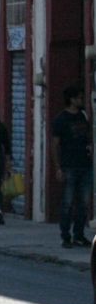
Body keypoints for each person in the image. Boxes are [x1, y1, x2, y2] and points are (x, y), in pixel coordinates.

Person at [51, 84, 93, 248]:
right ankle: (65, 236)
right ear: (71, 99)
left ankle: (79, 234)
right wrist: (58, 167)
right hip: (69, 165)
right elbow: (55, 144)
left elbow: (89, 136)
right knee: (67, 202)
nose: (81, 100)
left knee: (83, 202)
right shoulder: (61, 120)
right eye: (79, 98)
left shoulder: (82, 116)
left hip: (85, 164)